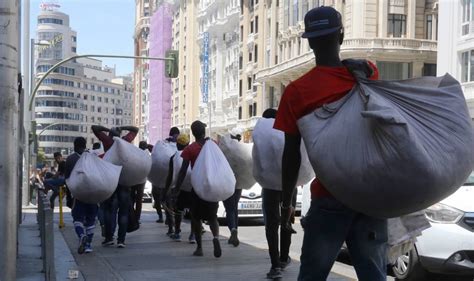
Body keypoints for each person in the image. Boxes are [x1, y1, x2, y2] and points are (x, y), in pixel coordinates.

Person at [274, 7, 386, 281]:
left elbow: (291, 155)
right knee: (373, 275)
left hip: (329, 196)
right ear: (342, 36)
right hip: (370, 195)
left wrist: (286, 202)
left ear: (309, 41)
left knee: (312, 275)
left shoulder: (296, 92)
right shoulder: (366, 74)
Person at [253, 108, 298, 279]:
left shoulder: (262, 133)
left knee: (271, 225)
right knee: (287, 220)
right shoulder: (284, 129)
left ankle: (275, 265)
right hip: (289, 186)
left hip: (270, 186)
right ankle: (284, 257)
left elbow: (256, 160)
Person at [172, 121, 221, 258]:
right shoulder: (213, 145)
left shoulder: (190, 149)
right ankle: (216, 237)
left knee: (196, 217)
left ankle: (199, 248)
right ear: (204, 132)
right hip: (211, 186)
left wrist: (177, 187)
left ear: (192, 133)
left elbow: (182, 171)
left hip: (198, 187)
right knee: (212, 217)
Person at [92, 125, 139, 248]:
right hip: (124, 181)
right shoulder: (125, 141)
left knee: (109, 210)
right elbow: (135, 130)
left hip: (110, 180)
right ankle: (121, 240)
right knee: (123, 212)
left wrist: (109, 131)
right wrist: (121, 128)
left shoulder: (108, 141)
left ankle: (109, 238)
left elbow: (95, 128)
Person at [65, 137, 99, 254]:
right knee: (91, 220)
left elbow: (67, 180)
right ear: (85, 145)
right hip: (93, 194)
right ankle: (88, 245)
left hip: (78, 195)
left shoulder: (70, 159)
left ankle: (81, 235)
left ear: (74, 146)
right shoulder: (92, 157)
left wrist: (69, 197)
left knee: (77, 219)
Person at [162, 134, 196, 243]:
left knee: (178, 211)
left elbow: (170, 176)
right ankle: (192, 235)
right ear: (187, 144)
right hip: (193, 187)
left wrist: (166, 190)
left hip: (180, 188)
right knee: (193, 212)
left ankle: (177, 233)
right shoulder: (194, 154)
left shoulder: (174, 157)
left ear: (177, 145)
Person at [152, 127, 180, 229]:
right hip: (175, 182)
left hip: (167, 181)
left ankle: (171, 226)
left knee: (168, 202)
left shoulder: (164, 144)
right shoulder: (178, 145)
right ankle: (172, 225)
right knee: (172, 203)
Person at [222, 134, 243, 247]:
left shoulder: (226, 153)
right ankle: (235, 231)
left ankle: (233, 230)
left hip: (228, 183)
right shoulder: (240, 152)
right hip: (239, 184)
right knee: (234, 208)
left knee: (229, 208)